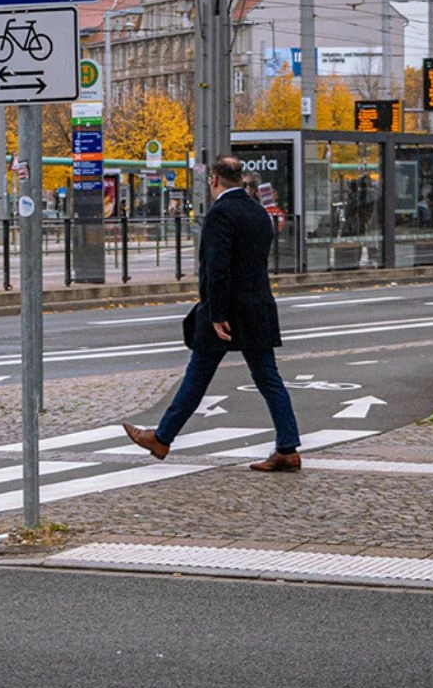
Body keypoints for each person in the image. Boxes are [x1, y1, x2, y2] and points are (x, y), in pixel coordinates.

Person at [123, 155, 301, 471]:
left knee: (198, 374)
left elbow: (216, 268)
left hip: (227, 311)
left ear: (214, 180)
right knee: (268, 378)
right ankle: (287, 448)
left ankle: (161, 438)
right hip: (258, 305)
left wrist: (217, 313)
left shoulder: (221, 214)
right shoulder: (259, 212)